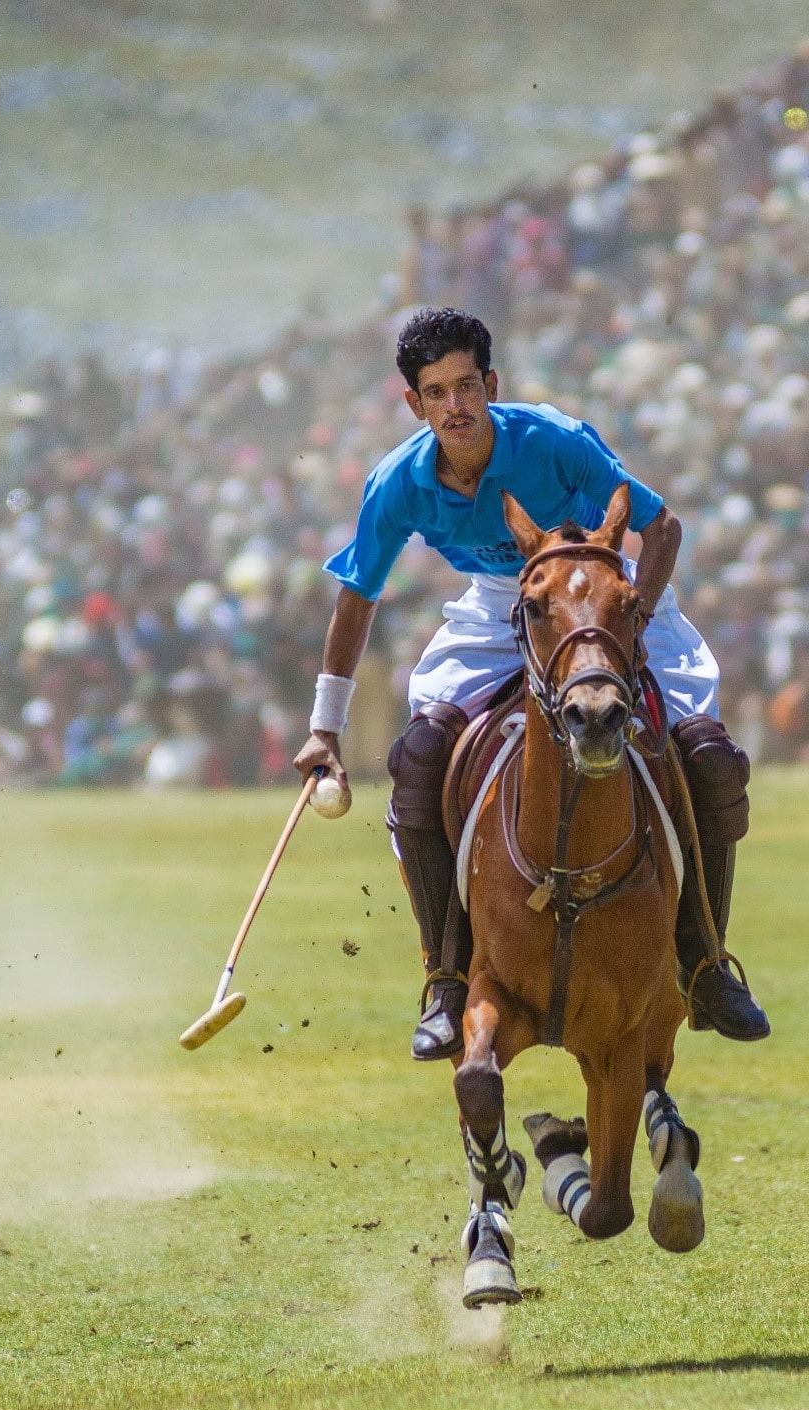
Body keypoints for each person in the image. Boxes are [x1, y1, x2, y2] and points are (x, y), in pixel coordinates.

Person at [292, 308, 769, 1061]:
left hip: (610, 596)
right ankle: (448, 981)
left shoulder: (554, 441)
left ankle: (706, 965)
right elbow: (358, 594)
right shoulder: (397, 485)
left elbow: (664, 529)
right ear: (413, 404)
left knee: (709, 755)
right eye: (436, 391)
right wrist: (325, 727)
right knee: (418, 757)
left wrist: (632, 618)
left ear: (492, 385)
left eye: (467, 386)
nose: (455, 406)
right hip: (500, 600)